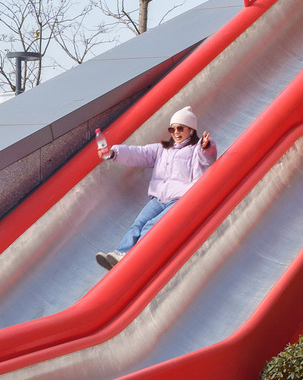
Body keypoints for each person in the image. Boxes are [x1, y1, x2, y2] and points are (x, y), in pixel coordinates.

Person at [93, 107, 218, 270]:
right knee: (138, 223)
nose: (176, 132)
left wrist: (206, 146)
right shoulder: (162, 149)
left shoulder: (196, 150)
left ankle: (135, 258)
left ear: (191, 129)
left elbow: (207, 158)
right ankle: (120, 253)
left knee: (151, 225)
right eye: (172, 129)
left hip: (179, 200)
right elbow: (138, 153)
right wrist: (112, 153)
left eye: (181, 128)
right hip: (158, 198)